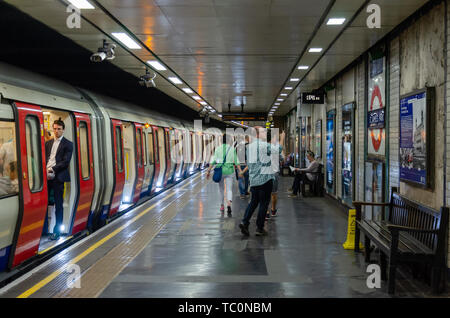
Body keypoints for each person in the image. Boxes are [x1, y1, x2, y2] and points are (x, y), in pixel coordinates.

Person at [239, 127, 281, 236]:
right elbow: (278, 150)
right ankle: (259, 228)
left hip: (254, 180)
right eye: (263, 132)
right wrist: (281, 139)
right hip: (265, 179)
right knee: (263, 203)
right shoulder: (263, 145)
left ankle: (245, 222)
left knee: (253, 202)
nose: (265, 133)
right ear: (257, 134)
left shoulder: (249, 147)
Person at [45, 118, 73, 240]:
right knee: (45, 203)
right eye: (55, 129)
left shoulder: (68, 144)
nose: (56, 131)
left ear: (63, 130)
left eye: (59, 129)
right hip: (46, 177)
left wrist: (53, 169)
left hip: (58, 177)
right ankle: (45, 229)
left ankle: (57, 231)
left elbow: (65, 162)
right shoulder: (48, 143)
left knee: (58, 205)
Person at [206, 134, 242, 216]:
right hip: (230, 171)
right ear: (229, 141)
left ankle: (222, 205)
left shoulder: (218, 149)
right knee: (229, 189)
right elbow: (236, 161)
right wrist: (240, 171)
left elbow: (214, 161)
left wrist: (208, 171)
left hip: (220, 171)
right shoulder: (232, 149)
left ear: (221, 141)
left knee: (221, 189)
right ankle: (229, 203)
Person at [266, 130, 285, 219]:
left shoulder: (262, 147)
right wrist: (282, 138)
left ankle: (266, 211)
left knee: (266, 194)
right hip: (274, 173)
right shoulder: (275, 148)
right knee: (274, 193)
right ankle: (273, 210)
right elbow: (282, 159)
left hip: (265, 173)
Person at [235, 135, 249, 199]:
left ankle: (242, 194)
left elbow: (235, 157)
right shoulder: (247, 146)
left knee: (240, 179)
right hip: (246, 164)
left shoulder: (236, 147)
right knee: (246, 178)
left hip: (239, 164)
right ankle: (245, 191)